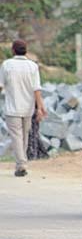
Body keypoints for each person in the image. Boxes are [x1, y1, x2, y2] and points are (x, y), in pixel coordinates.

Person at [0, 40, 47, 176]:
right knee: (24, 136)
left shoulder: (7, 65)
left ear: (13, 50)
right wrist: (40, 107)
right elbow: (37, 89)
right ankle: (22, 163)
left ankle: (21, 164)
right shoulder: (32, 66)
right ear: (26, 51)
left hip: (12, 108)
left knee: (16, 136)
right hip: (28, 108)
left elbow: (1, 85)